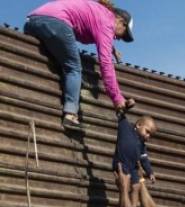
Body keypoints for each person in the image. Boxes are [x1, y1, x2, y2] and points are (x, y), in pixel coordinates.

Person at [24, 0, 135, 130]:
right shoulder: (107, 22)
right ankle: (71, 114)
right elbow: (106, 64)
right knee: (74, 68)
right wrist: (117, 98)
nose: (119, 38)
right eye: (123, 34)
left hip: (31, 21)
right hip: (56, 22)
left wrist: (112, 48)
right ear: (120, 21)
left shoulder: (100, 13)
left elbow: (94, 28)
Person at [113, 113, 157, 207]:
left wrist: (150, 172)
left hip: (133, 166)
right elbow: (121, 114)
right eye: (147, 132)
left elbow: (144, 160)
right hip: (121, 163)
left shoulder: (142, 145)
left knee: (136, 186)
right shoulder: (126, 129)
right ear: (138, 125)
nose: (148, 136)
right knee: (125, 184)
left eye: (150, 135)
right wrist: (124, 107)